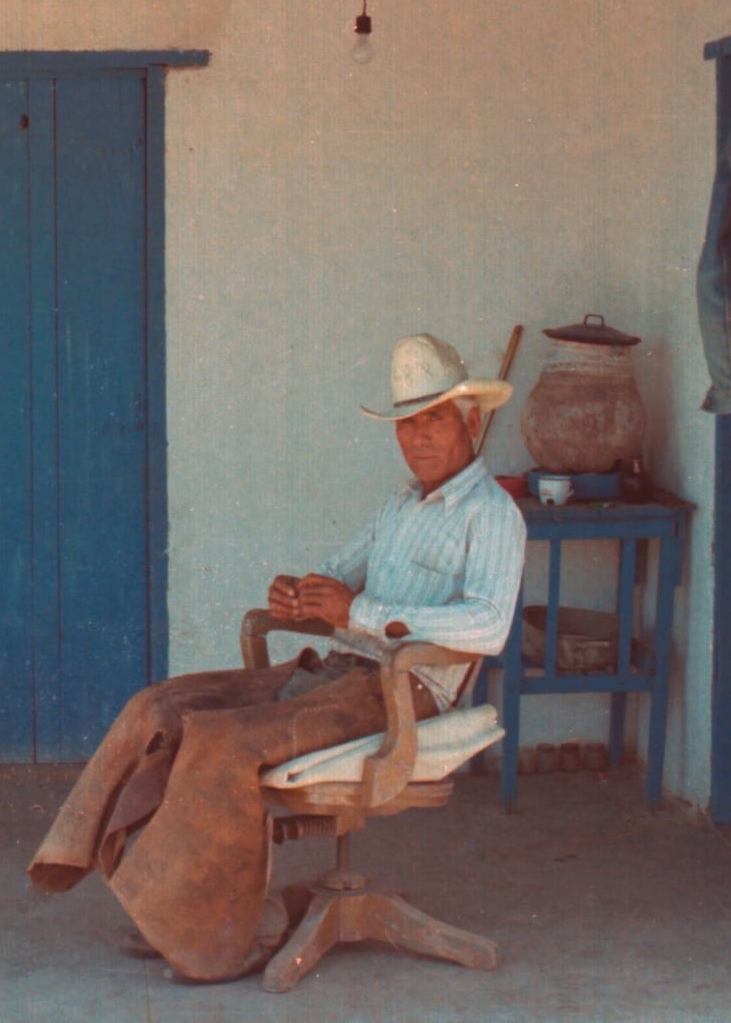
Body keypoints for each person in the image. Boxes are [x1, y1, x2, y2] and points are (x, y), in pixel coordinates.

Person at [27, 333, 525, 982]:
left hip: (403, 690)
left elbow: (489, 625)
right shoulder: (400, 505)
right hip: (336, 674)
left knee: (221, 742)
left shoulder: (494, 515)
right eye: (406, 422)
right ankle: (120, 879)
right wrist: (300, 594)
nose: (417, 437)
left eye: (433, 419)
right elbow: (337, 576)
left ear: (471, 420)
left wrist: (359, 613)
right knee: (159, 706)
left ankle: (218, 933)